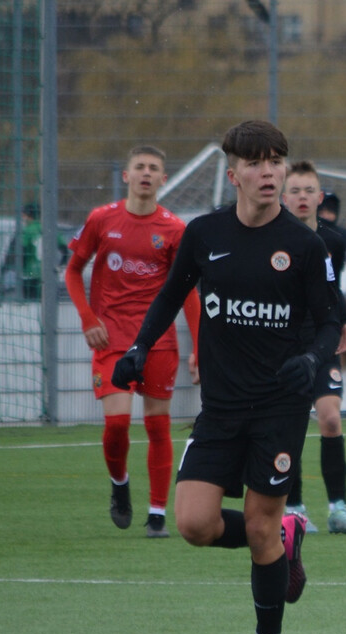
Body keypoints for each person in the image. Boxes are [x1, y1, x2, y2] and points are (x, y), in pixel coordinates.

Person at [110, 120, 342, 634]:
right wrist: (139, 348)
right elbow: (171, 293)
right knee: (193, 523)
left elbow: (330, 320)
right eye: (258, 163)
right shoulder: (204, 234)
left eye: (277, 161)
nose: (270, 172)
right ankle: (286, 537)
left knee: (260, 527)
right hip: (220, 405)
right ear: (232, 172)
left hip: (279, 406)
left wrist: (312, 361)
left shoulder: (304, 245)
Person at [64, 145, 201, 538]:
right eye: (139, 166)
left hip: (157, 341)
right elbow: (73, 272)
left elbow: (188, 293)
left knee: (158, 427)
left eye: (153, 168)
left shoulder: (175, 230)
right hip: (111, 338)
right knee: (118, 425)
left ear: (163, 178)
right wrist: (88, 318)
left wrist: (200, 348)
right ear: (125, 176)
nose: (145, 173)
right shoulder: (101, 220)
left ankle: (157, 514)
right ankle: (120, 484)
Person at [281, 160, 346, 534]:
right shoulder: (273, 238)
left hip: (323, 341)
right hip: (283, 344)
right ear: (283, 197)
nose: (302, 197)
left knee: (330, 418)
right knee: (291, 425)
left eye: (308, 190)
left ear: (320, 197)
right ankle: (294, 508)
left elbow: (332, 292)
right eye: (294, 190)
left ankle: (338, 508)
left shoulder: (333, 241)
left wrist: (344, 321)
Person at [4, 202, 68, 300]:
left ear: (28, 215)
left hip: (30, 275)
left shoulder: (27, 231)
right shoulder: (51, 230)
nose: (23, 218)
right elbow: (65, 251)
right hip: (48, 275)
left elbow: (22, 251)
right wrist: (60, 266)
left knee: (31, 305)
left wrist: (18, 266)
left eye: (24, 215)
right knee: (48, 303)